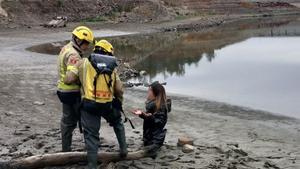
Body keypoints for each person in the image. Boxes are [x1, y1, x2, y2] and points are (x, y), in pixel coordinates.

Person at [65, 40, 127, 169]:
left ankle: (92, 165)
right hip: (107, 104)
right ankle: (123, 150)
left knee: (92, 137)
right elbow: (119, 89)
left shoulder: (83, 63)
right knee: (118, 122)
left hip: (89, 105)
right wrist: (119, 103)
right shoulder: (111, 66)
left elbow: (69, 79)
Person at [57, 26, 94, 152]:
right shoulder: (74, 55)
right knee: (85, 120)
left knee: (67, 120)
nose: (88, 46)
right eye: (87, 43)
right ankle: (90, 148)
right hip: (72, 92)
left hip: (63, 91)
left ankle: (65, 148)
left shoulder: (66, 48)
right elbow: (69, 78)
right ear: (79, 41)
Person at [131, 81, 171, 156]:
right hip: (149, 137)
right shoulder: (153, 105)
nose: (148, 92)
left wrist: (147, 116)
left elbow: (159, 122)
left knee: (148, 152)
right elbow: (150, 120)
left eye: (149, 90)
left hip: (155, 140)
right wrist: (143, 115)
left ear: (155, 93)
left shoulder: (161, 107)